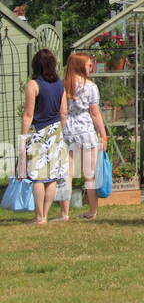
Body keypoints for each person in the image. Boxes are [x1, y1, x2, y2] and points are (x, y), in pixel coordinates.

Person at [21, 49, 68, 225]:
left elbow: (28, 114)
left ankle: (39, 216)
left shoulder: (33, 85)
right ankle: (46, 215)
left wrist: (22, 139)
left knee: (38, 177)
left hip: (39, 133)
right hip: (56, 133)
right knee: (52, 177)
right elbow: (64, 113)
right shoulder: (59, 84)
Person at [60, 52, 107, 221]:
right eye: (88, 65)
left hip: (67, 130)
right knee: (90, 174)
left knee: (67, 173)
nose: (91, 67)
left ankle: (64, 213)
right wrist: (103, 134)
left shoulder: (64, 85)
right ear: (81, 66)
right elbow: (95, 113)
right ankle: (92, 211)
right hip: (86, 130)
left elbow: (62, 112)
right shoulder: (90, 86)